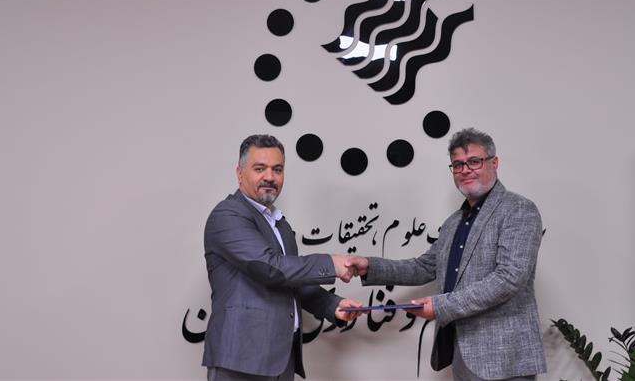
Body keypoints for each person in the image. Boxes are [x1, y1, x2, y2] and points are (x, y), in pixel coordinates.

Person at [346, 128, 547, 381]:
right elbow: (424, 267)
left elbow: (509, 278)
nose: (465, 170)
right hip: (462, 354)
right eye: (458, 165)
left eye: (474, 161)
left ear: (494, 162)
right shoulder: (454, 222)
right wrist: (369, 266)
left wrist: (441, 306)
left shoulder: (519, 209)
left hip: (504, 358)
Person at [203, 134, 362, 381]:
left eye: (277, 169)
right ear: (239, 173)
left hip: (280, 360)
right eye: (260, 168)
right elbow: (270, 268)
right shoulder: (227, 215)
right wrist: (331, 263)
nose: (270, 177)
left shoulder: (280, 225)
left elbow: (291, 281)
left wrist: (332, 305)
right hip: (241, 361)